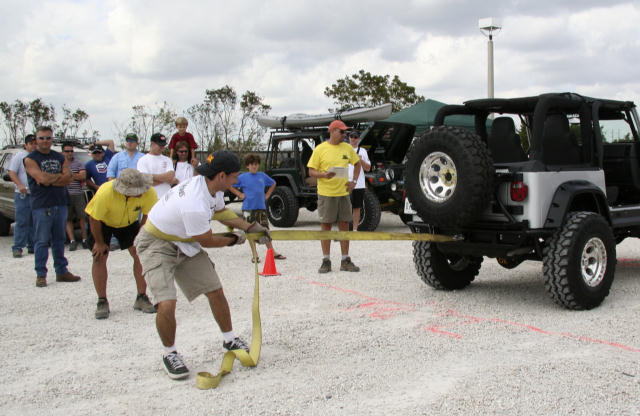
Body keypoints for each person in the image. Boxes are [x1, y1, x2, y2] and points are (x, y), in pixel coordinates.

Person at [134, 150, 270, 380]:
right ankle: (170, 353)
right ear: (221, 176)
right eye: (234, 175)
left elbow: (221, 212)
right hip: (157, 243)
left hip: (183, 240)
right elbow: (206, 240)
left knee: (214, 290)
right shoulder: (194, 202)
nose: (237, 179)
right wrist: (234, 239)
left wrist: (249, 227)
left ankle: (229, 339)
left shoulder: (212, 188)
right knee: (166, 302)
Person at [85, 169, 158, 319]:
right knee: (99, 256)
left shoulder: (148, 191)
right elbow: (94, 218)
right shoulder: (105, 192)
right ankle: (102, 300)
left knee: (140, 254)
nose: (140, 194)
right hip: (103, 222)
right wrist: (99, 242)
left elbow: (149, 215)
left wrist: (140, 235)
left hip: (129, 222)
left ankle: (141, 296)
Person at [24, 126, 81, 287]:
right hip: (42, 205)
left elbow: (69, 177)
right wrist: (57, 178)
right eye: (41, 138)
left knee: (59, 240)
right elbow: (41, 178)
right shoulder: (30, 159)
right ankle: (41, 274)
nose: (45, 141)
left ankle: (61, 271)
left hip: (60, 202)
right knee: (42, 241)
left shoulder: (59, 156)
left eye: (48, 138)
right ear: (36, 139)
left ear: (52, 139)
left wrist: (50, 180)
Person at [307, 120, 362, 273]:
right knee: (326, 226)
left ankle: (345, 260)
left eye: (345, 132)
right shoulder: (320, 149)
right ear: (332, 131)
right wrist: (323, 175)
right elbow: (311, 171)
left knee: (344, 226)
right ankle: (326, 260)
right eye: (342, 132)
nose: (345, 135)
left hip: (343, 194)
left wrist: (354, 182)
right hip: (326, 195)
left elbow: (357, 164)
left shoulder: (347, 148)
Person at [229, 153, 285, 262]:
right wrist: (239, 194)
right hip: (248, 209)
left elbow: (273, 183)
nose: (254, 166)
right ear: (247, 166)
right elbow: (230, 185)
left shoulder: (262, 175)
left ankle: (272, 251)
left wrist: (268, 194)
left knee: (265, 230)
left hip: (261, 208)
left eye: (256, 164)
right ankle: (255, 254)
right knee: (250, 231)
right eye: (252, 164)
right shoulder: (242, 177)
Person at [8, 134, 37, 258]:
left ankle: (33, 245)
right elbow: (11, 172)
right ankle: (18, 247)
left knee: (34, 221)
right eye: (31, 143)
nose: (34, 146)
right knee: (21, 221)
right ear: (26, 145)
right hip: (23, 194)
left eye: (35, 143)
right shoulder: (20, 156)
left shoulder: (39, 156)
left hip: (36, 194)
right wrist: (20, 185)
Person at [62, 142, 88, 251]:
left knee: (82, 217)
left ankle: (84, 239)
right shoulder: (60, 164)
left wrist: (70, 175)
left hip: (78, 193)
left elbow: (83, 176)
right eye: (67, 151)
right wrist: (74, 176)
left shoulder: (78, 163)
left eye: (71, 151)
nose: (69, 153)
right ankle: (72, 240)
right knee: (68, 218)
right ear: (63, 152)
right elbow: (59, 178)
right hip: (65, 194)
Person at [136, 133, 177, 199]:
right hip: (150, 199)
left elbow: (170, 176)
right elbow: (145, 181)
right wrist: (166, 180)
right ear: (152, 144)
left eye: (163, 145)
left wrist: (150, 176)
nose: (162, 148)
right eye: (160, 145)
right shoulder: (142, 160)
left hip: (167, 198)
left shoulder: (167, 160)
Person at [347, 131, 371, 231]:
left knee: (357, 208)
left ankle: (355, 229)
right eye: (351, 136)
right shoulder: (344, 149)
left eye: (355, 137)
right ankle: (344, 229)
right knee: (344, 207)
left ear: (359, 139)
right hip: (345, 183)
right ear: (349, 138)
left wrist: (360, 160)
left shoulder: (363, 151)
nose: (353, 139)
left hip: (359, 184)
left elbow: (368, 168)